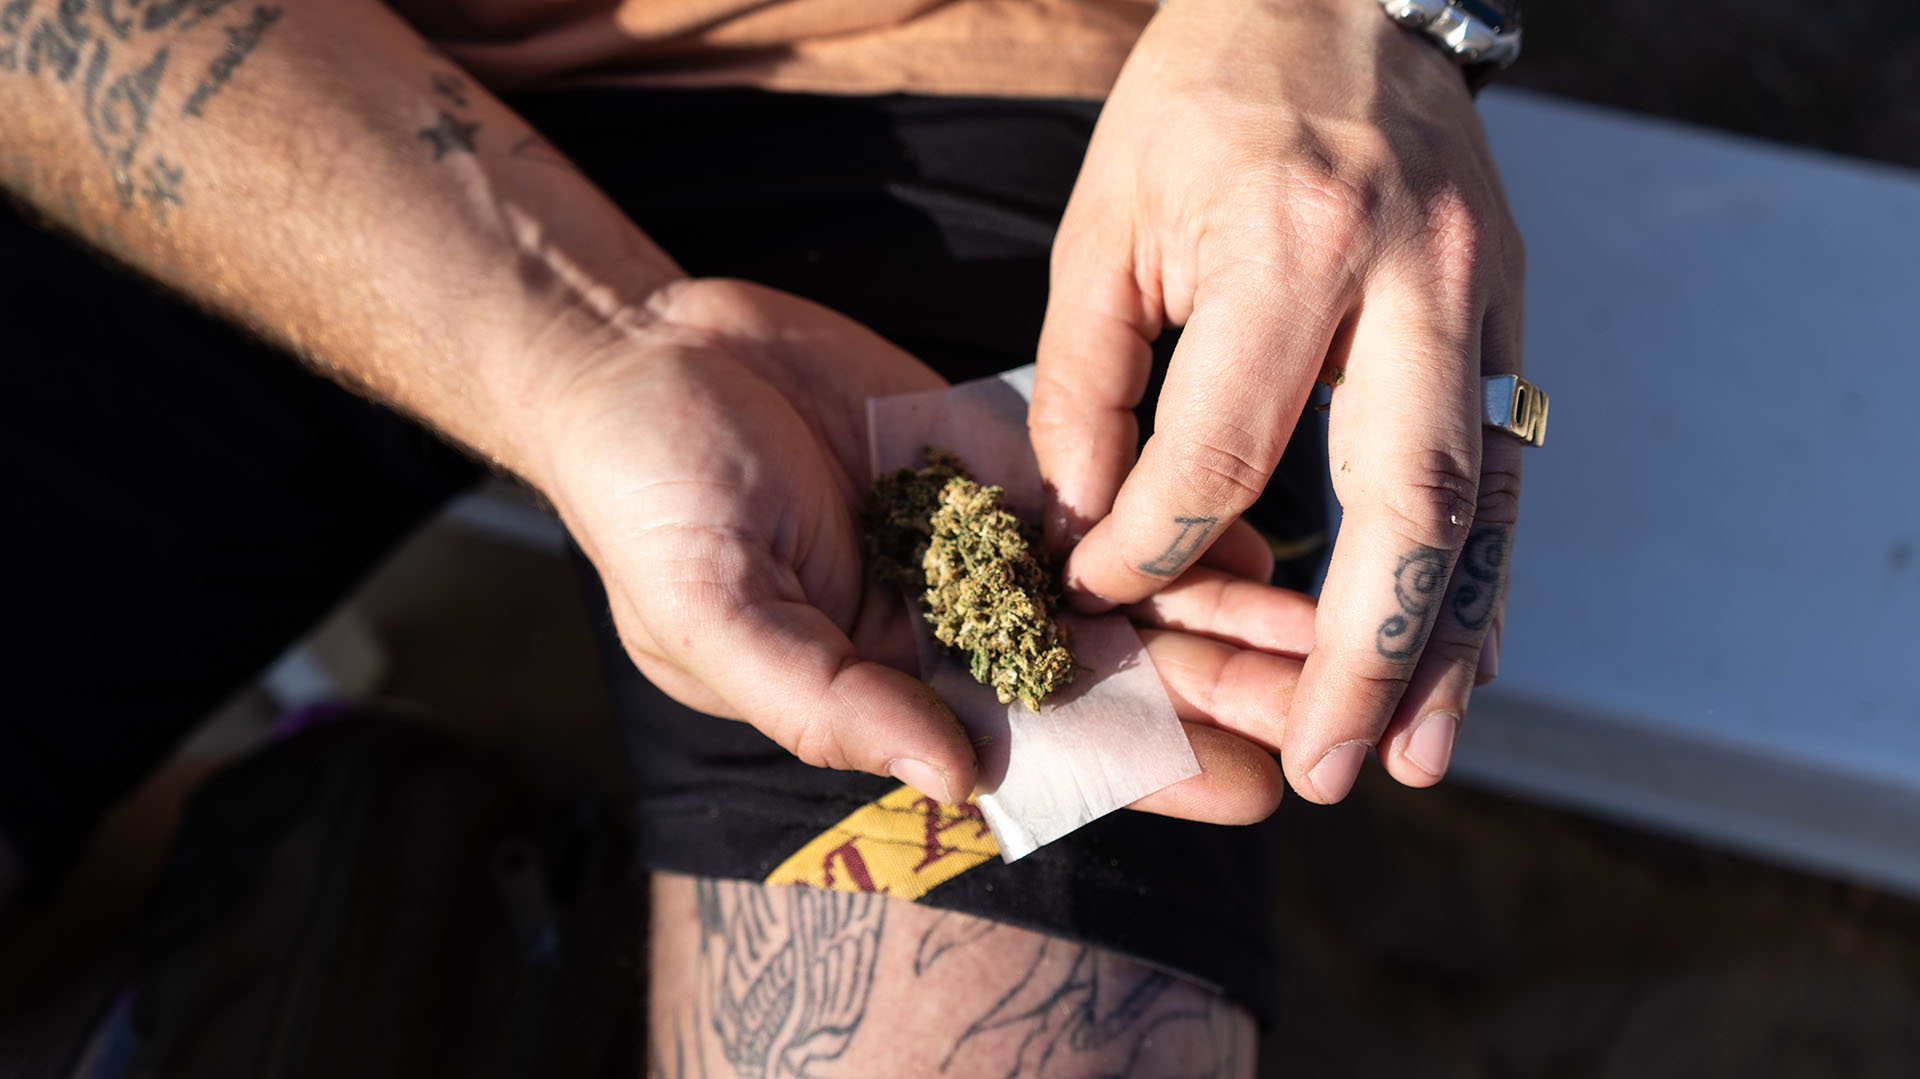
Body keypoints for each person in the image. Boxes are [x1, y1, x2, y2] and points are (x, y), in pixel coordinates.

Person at [1, 0, 1526, 1072]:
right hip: (223, 96)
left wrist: (1357, 15)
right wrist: (591, 340)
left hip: (947, 81)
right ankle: (320, 862)